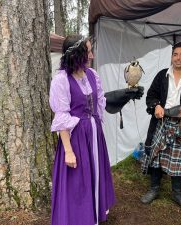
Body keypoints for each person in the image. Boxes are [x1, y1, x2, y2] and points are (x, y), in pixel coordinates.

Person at [49, 35, 115, 225]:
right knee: (78, 182)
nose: (92, 55)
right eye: (88, 51)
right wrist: (68, 151)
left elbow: (100, 101)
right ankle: (79, 218)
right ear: (77, 55)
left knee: (95, 174)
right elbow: (62, 118)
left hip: (95, 135)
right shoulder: (61, 81)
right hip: (76, 138)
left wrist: (119, 98)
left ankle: (94, 213)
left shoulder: (92, 75)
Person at [140, 42, 181, 213]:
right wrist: (156, 106)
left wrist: (168, 110)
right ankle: (154, 188)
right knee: (156, 156)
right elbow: (151, 95)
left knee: (179, 160)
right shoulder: (162, 75)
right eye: (175, 54)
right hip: (160, 124)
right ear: (172, 56)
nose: (178, 58)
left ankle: (177, 193)